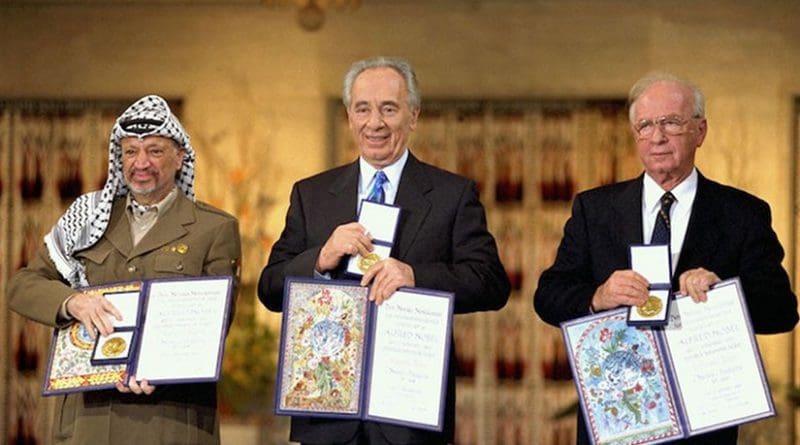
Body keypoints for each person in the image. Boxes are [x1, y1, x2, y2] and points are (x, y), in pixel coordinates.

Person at [533, 71, 798, 444]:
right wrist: (598, 296)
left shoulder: (743, 213)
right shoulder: (595, 209)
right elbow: (547, 297)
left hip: (704, 422)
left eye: (671, 123)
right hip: (617, 417)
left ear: (700, 131)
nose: (657, 137)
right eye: (645, 125)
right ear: (635, 135)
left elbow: (781, 311)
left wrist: (723, 290)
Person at [258, 56, 510, 445]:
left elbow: (491, 283)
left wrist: (415, 276)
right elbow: (270, 288)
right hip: (326, 415)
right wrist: (321, 259)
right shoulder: (311, 194)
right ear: (349, 116)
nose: (374, 123)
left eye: (389, 109)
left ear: (413, 116)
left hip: (409, 415)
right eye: (363, 109)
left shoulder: (451, 195)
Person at [7, 95, 242, 445]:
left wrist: (160, 367)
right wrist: (73, 303)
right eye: (130, 151)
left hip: (170, 419)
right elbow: (22, 286)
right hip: (90, 420)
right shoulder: (87, 217)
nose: (141, 162)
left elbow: (215, 324)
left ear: (180, 157)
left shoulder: (213, 229)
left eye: (155, 150)